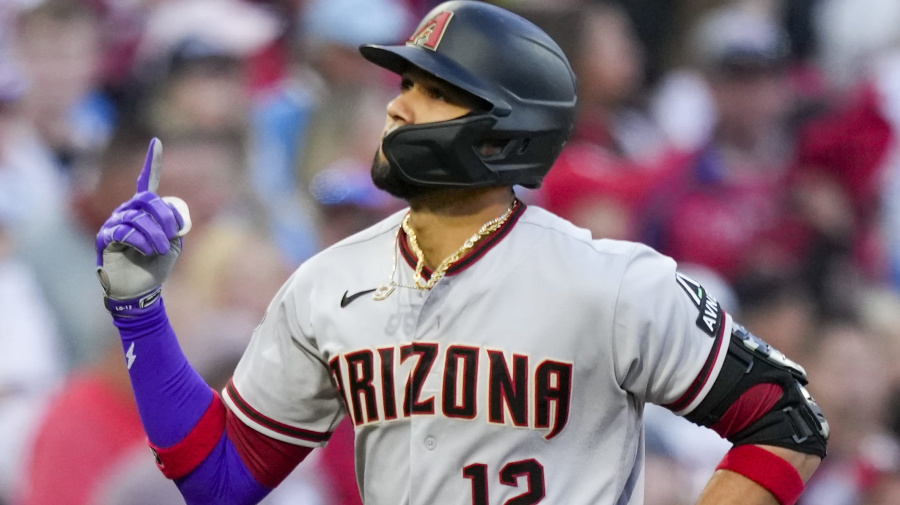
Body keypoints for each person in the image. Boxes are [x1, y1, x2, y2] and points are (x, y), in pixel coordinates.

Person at [94, 2, 828, 504]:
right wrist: (139, 311)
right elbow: (221, 479)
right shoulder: (327, 283)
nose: (397, 106)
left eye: (431, 91)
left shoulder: (611, 283)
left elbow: (787, 419)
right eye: (403, 83)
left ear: (503, 127)